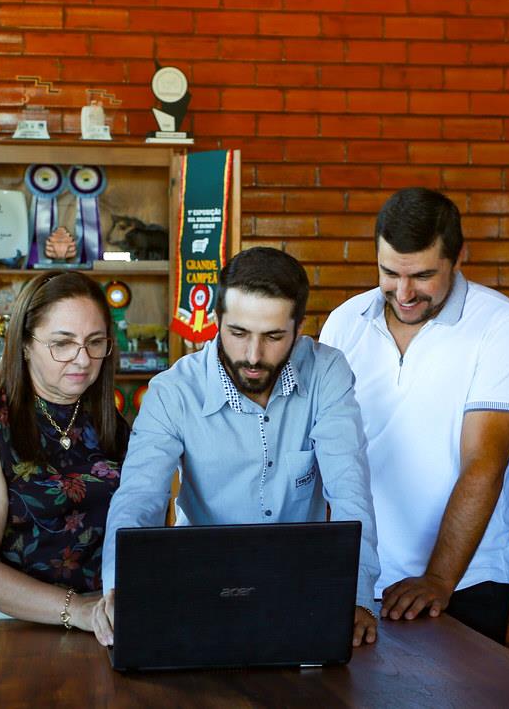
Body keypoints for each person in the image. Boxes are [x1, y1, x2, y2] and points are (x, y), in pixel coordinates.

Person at [101, 247, 381, 646]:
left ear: (299, 328)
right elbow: (139, 498)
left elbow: (350, 489)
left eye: (273, 336)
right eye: (238, 333)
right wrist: (119, 588)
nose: (253, 356)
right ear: (217, 320)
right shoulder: (171, 392)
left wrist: (359, 598)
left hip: (302, 596)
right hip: (200, 596)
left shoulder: (327, 372)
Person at [319, 187, 509, 644]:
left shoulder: (502, 325)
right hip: (362, 583)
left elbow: (485, 462)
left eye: (422, 276)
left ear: (458, 259)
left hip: (467, 581)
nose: (403, 293)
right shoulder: (344, 322)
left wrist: (439, 580)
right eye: (389, 273)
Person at [0, 271, 124, 706]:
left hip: (101, 621)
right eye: (62, 343)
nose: (81, 359)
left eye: (95, 342)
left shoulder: (107, 422)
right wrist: (74, 608)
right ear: (24, 343)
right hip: (5, 625)